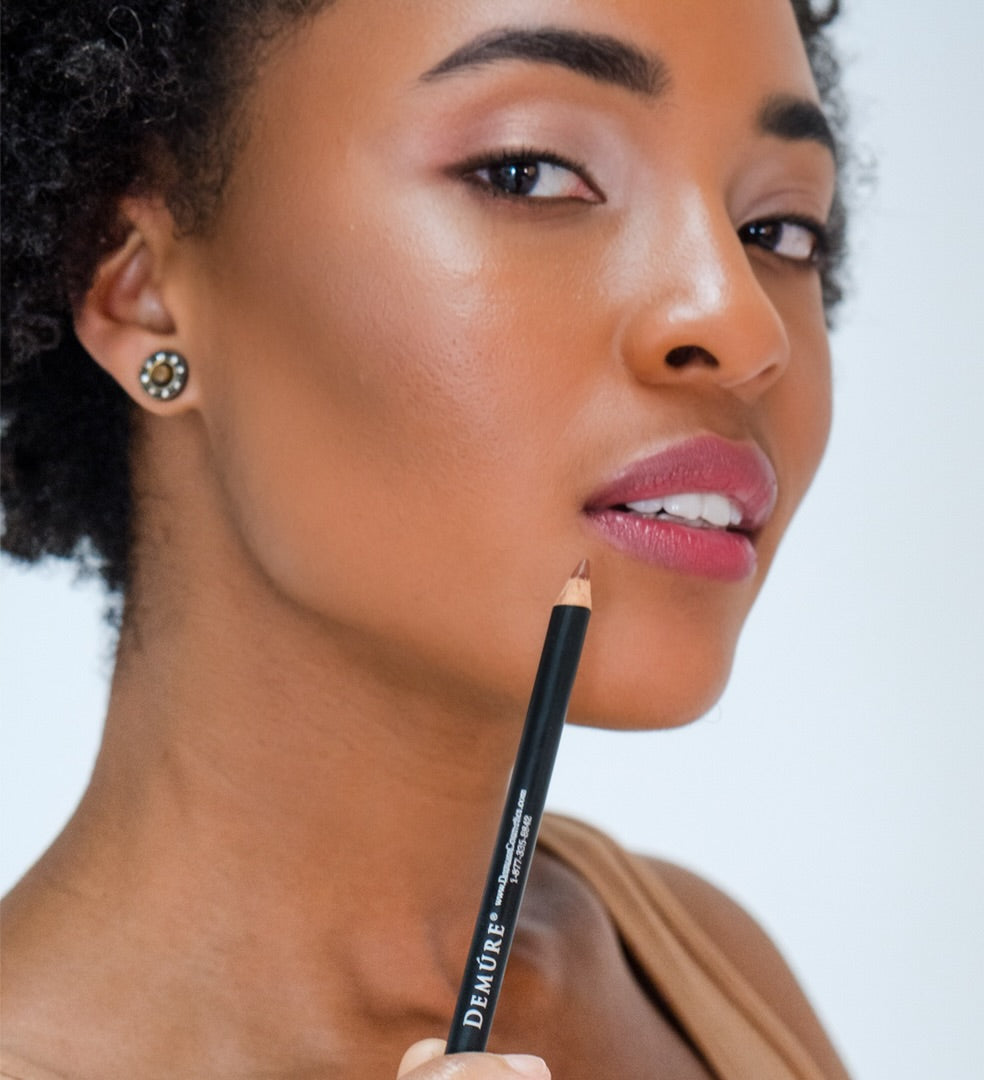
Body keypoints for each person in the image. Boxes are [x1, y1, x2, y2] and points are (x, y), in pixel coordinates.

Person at [0, 0, 852, 1076]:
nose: (742, 324)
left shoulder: (688, 962)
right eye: (529, 173)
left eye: (780, 228)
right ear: (144, 293)